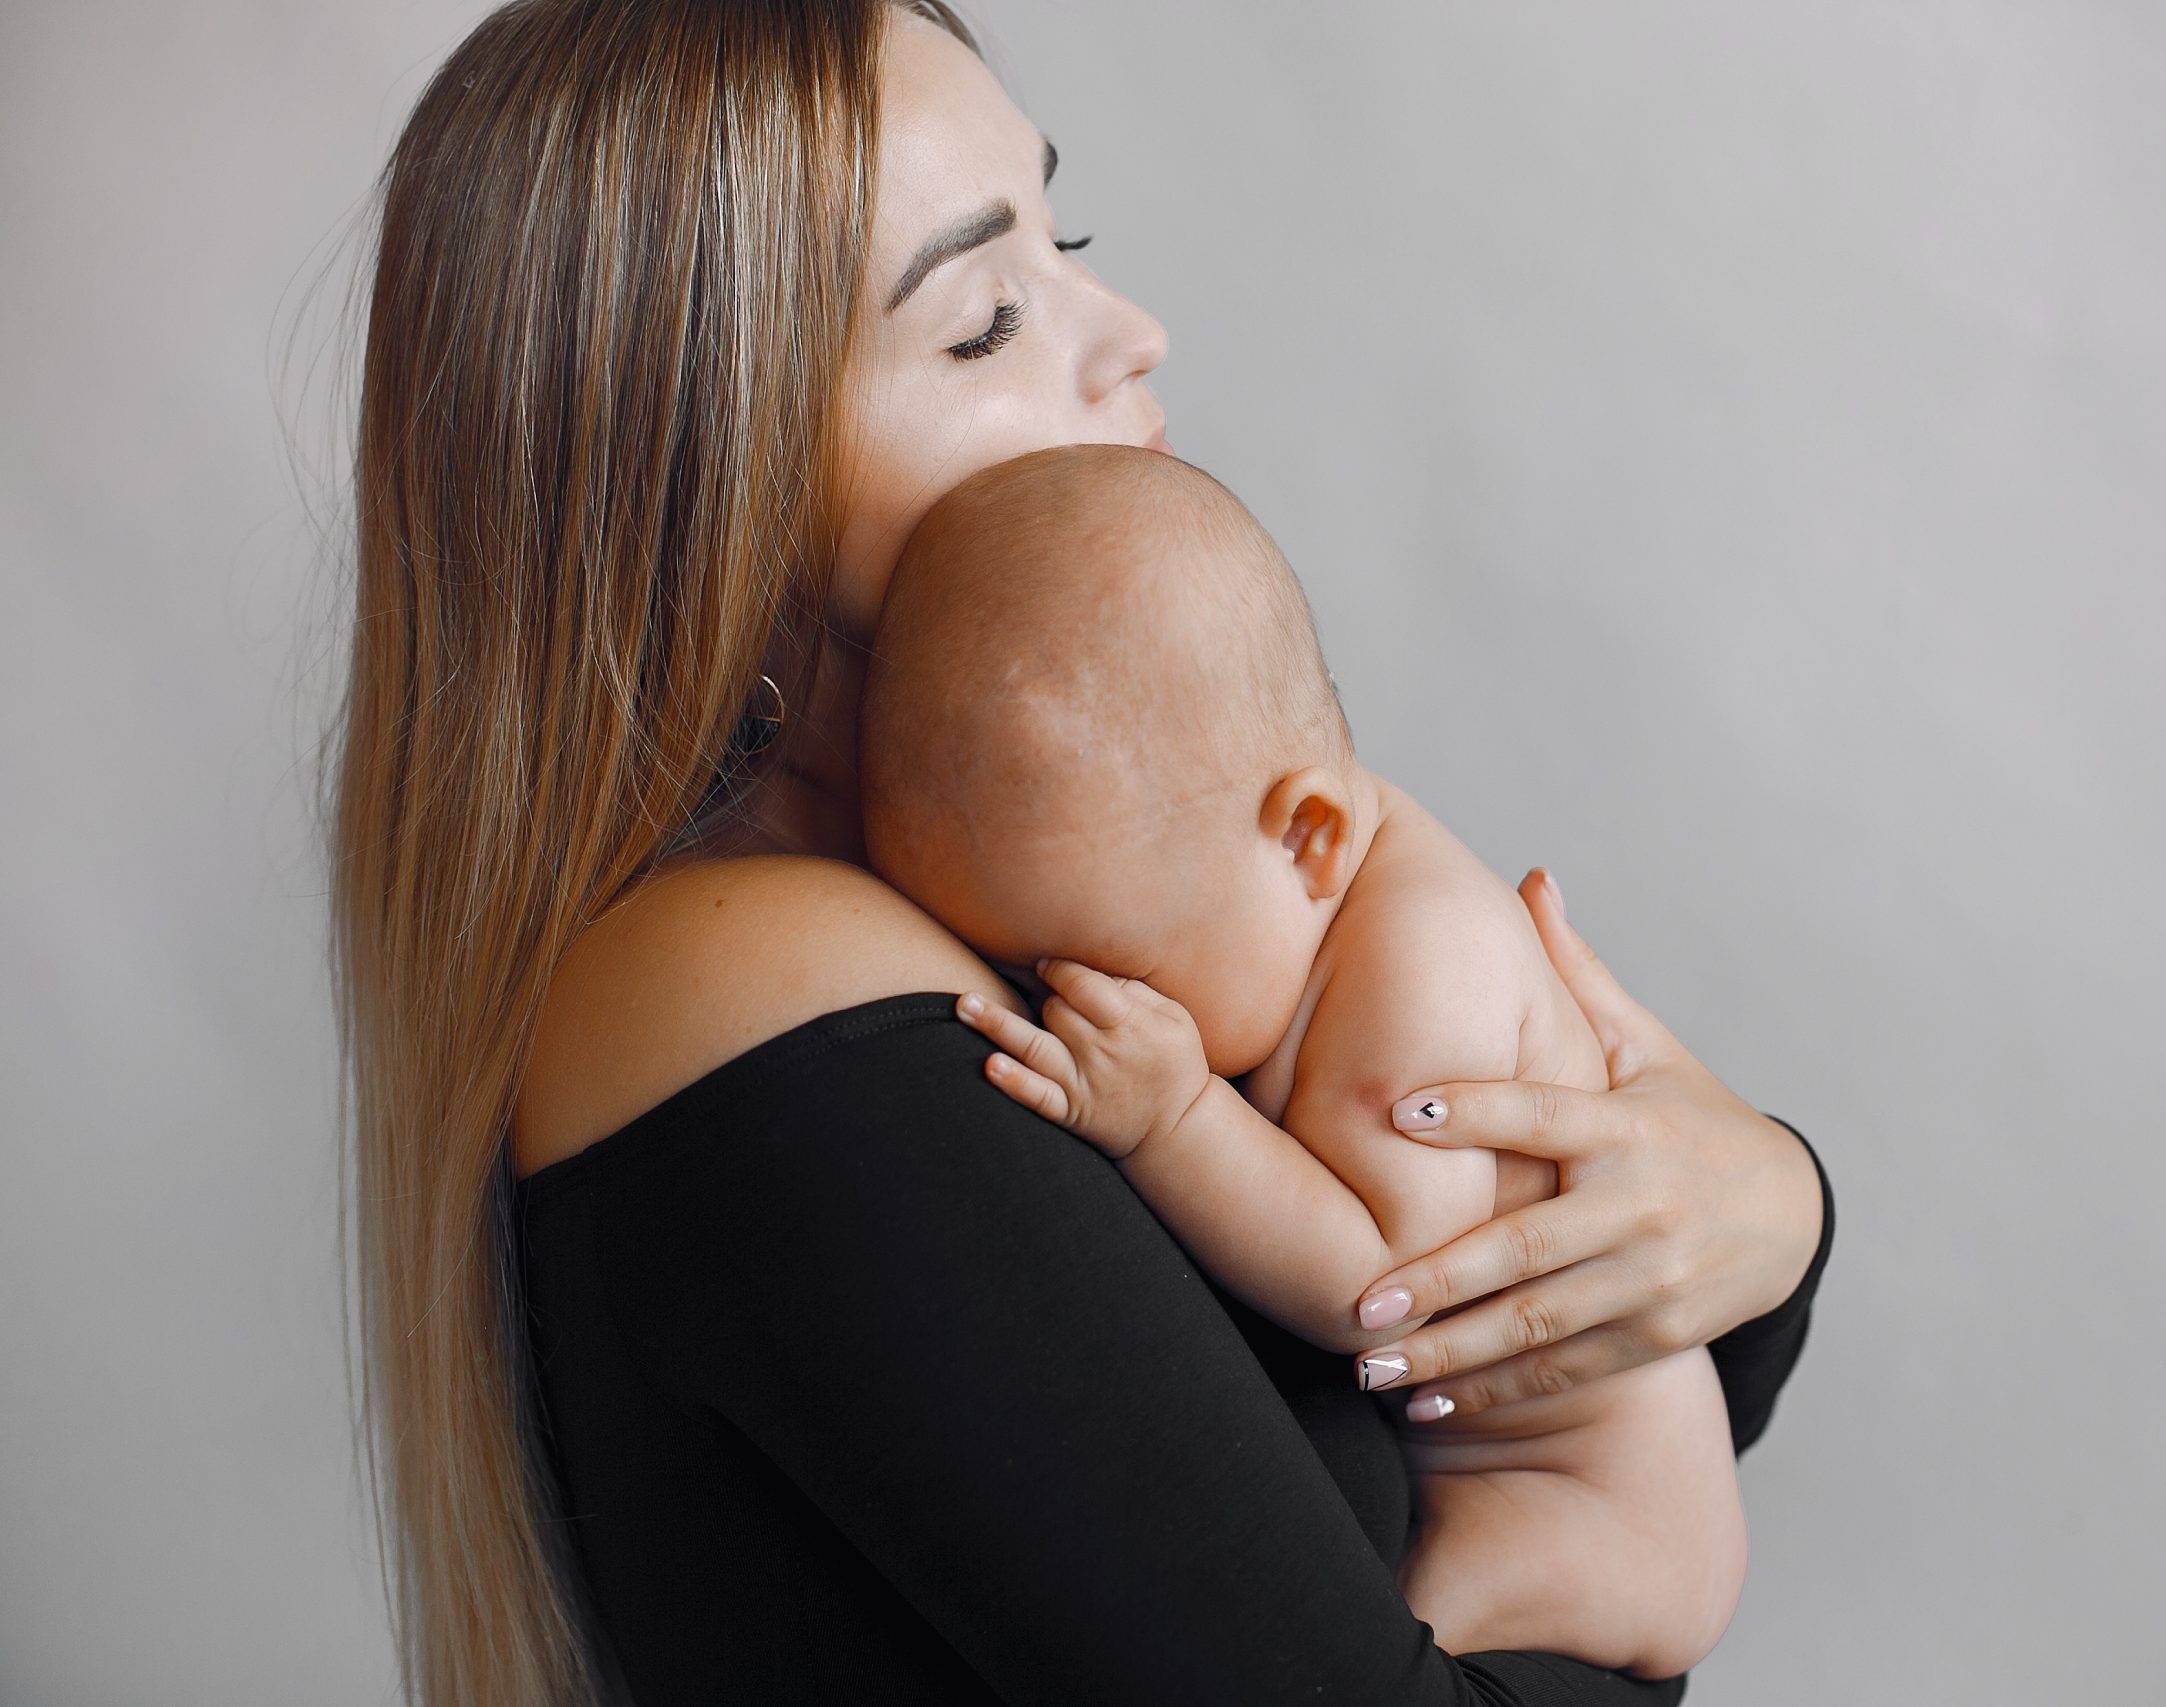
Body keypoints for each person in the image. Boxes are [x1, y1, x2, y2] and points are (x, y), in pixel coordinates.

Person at [328, 4, 1835, 1704]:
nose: (1129, 333)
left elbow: (1573, 1388)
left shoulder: (1014, 900)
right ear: (707, 506)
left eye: (1075, 243)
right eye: (985, 321)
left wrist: (1770, 1202)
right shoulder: (745, 988)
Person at [860, 443, 1746, 1679]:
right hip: (1496, 1468)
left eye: (1107, 969)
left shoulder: (1424, 967)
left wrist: (1170, 1120)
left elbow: (1385, 1285)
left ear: (1310, 840)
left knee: (1375, 1646)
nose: (1079, 1011)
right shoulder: (1243, 854)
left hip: (1581, 1503)